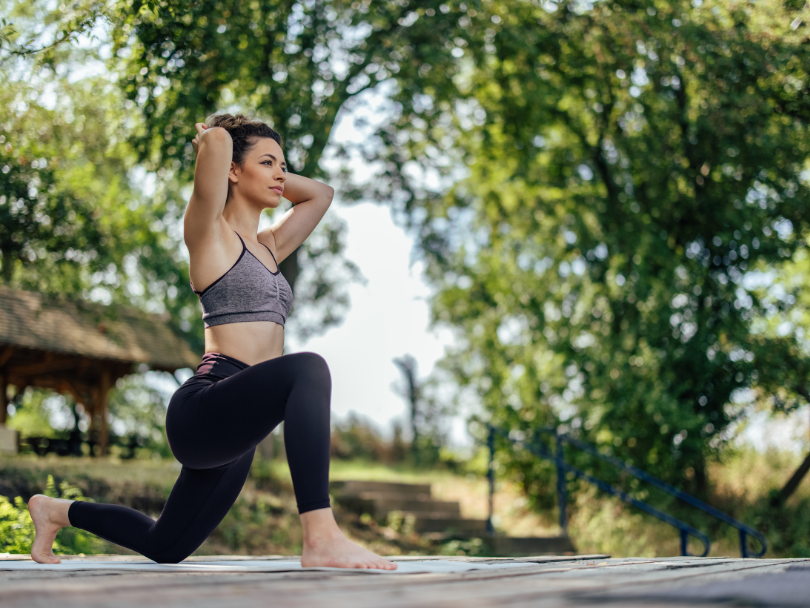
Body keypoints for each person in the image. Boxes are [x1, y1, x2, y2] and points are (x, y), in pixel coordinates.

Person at [27, 114, 397, 570]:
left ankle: (55, 511)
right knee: (308, 368)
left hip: (240, 425)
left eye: (284, 165)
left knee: (166, 545)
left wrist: (269, 169)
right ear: (232, 171)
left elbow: (322, 194)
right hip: (206, 407)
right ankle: (320, 535)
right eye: (267, 162)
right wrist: (217, 140)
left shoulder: (270, 246)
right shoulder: (209, 235)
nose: (281, 174)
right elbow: (220, 142)